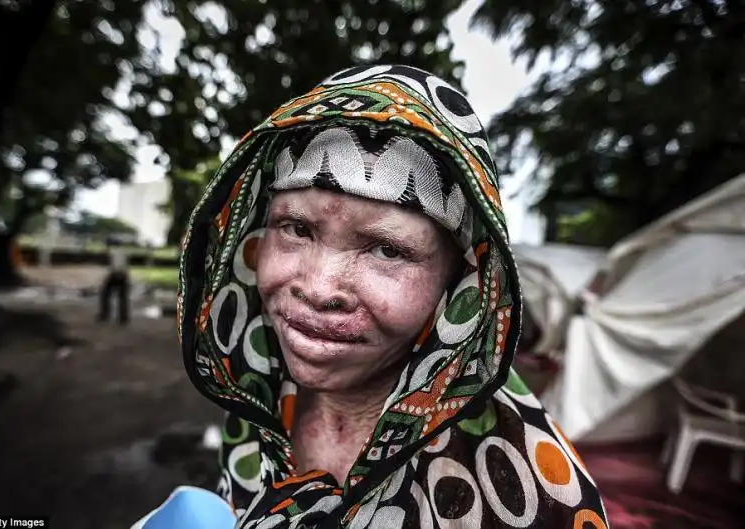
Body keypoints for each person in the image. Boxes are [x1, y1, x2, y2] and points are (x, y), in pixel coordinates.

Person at [176, 65, 608, 528]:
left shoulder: (537, 493)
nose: (319, 289)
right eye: (296, 229)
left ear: (460, 283)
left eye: (387, 249)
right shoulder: (257, 395)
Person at [98, 236, 130, 324]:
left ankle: (105, 315)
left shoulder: (111, 251)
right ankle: (123, 318)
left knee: (105, 295)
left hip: (116, 274)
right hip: (124, 275)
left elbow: (114, 264)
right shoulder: (124, 251)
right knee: (122, 297)